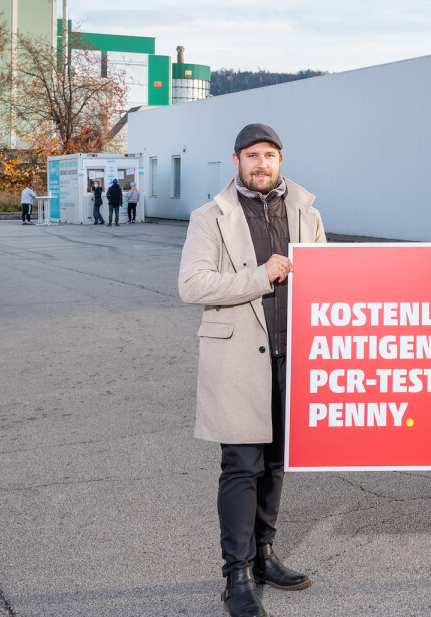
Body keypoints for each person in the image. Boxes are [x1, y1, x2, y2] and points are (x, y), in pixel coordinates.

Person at [178, 123, 326, 617]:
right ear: (236, 160)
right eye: (251, 156)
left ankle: (264, 556)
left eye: (269, 155)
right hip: (239, 357)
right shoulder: (210, 217)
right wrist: (262, 276)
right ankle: (235, 575)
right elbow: (193, 285)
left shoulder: (305, 210)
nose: (261, 164)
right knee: (242, 465)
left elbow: (329, 281)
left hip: (295, 358)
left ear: (281, 159)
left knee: (279, 462)